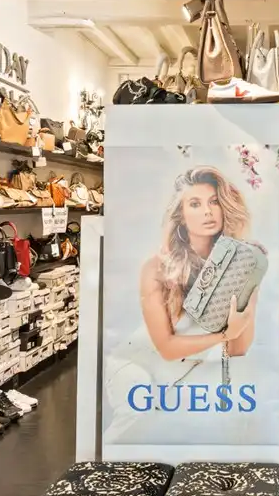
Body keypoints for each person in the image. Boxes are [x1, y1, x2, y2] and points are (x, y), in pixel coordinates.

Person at [104, 166, 266, 443]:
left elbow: (238, 349)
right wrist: (225, 334)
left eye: (214, 201)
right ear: (181, 216)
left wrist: (248, 286)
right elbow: (166, 348)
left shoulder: (241, 263)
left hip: (184, 370)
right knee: (132, 425)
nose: (208, 211)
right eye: (195, 203)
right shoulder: (156, 268)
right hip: (137, 362)